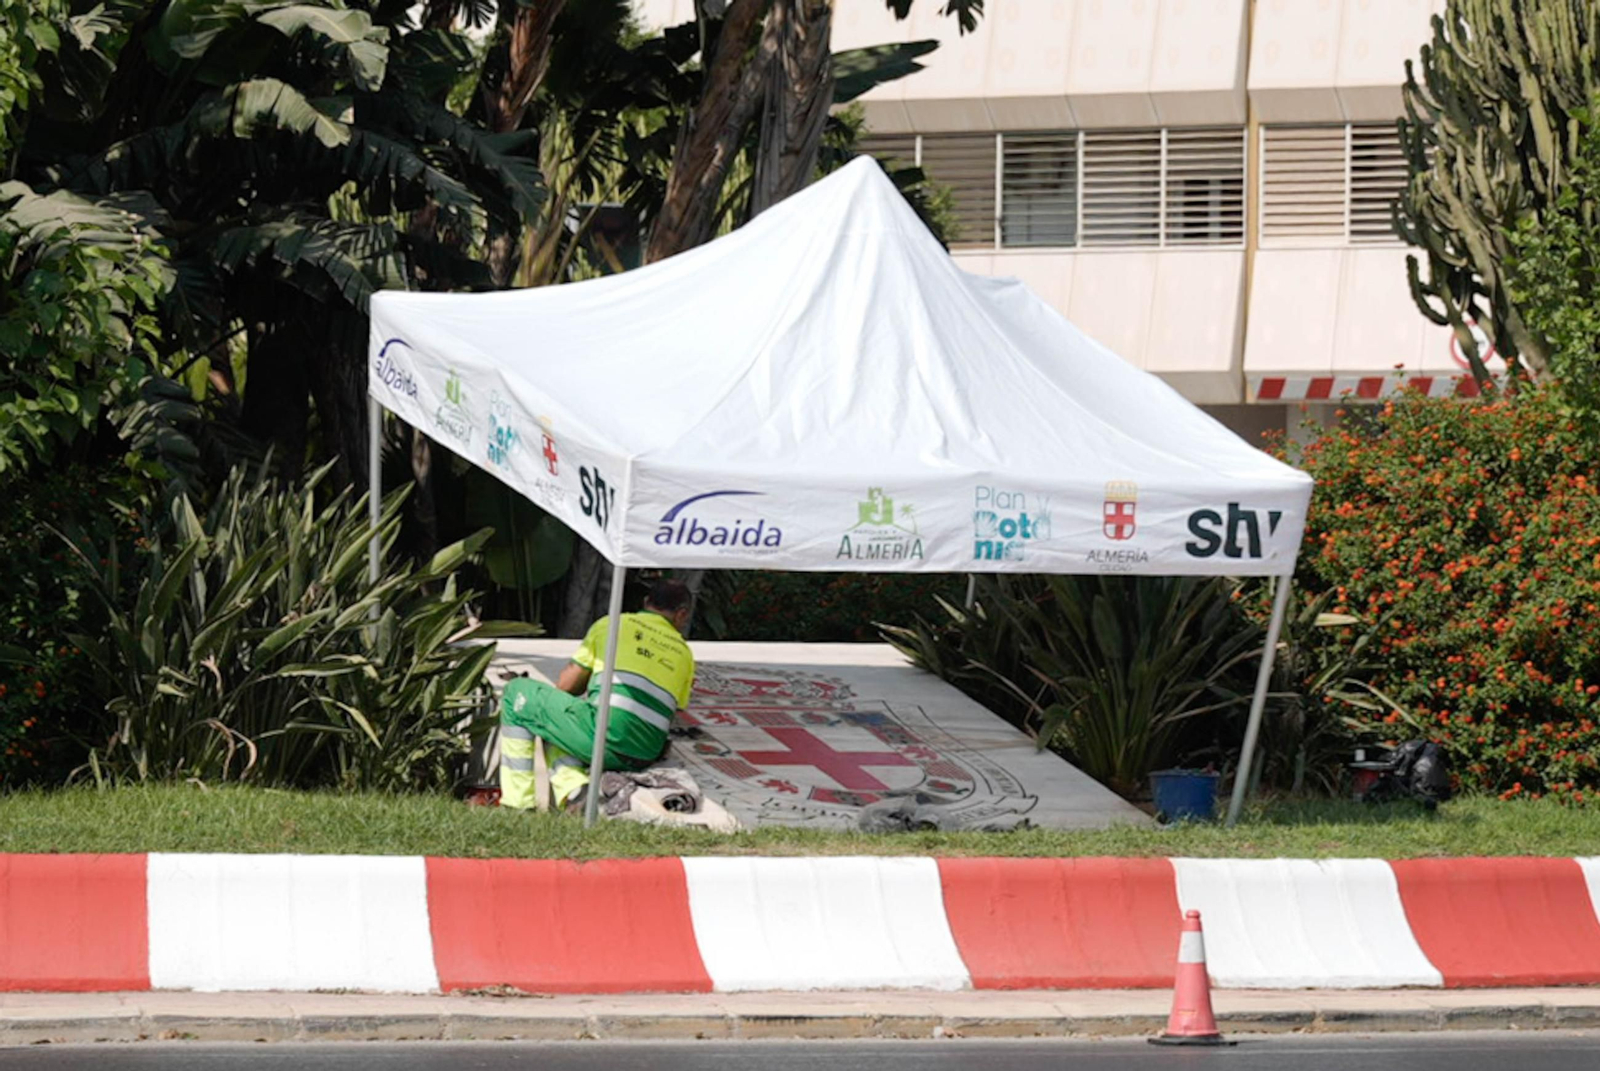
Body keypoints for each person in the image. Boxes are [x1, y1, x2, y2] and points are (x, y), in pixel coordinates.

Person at [499, 578, 696, 810]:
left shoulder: (611, 625)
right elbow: (676, 708)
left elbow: (566, 686)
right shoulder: (685, 654)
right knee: (556, 723)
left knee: (516, 693)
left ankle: (517, 804)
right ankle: (574, 792)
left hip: (602, 740)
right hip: (644, 753)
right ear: (682, 614)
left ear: (645, 602)